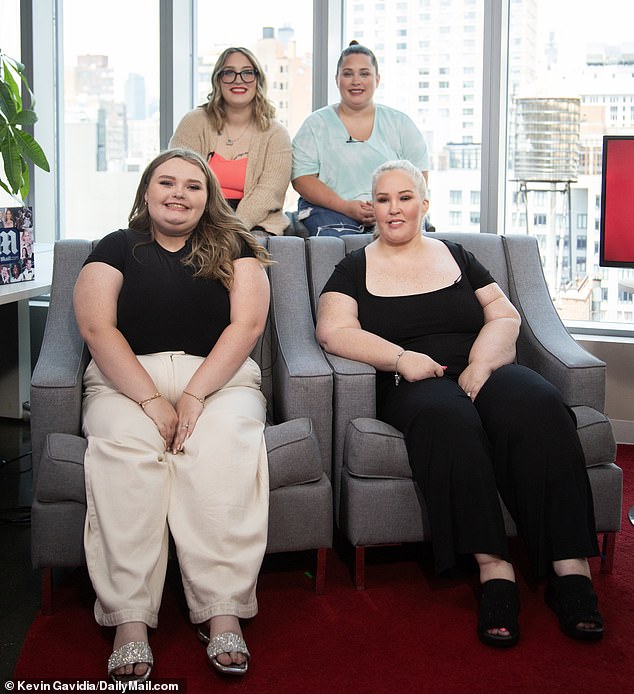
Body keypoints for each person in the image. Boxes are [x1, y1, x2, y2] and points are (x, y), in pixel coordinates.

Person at [316, 159, 604, 647]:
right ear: (373, 209)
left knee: (540, 407)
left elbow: (502, 314)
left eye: (405, 197)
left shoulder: (457, 255)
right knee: (449, 423)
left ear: (424, 203)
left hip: (482, 366)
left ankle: (570, 569)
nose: (394, 208)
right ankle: (495, 570)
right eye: (383, 199)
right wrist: (401, 358)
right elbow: (334, 330)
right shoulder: (353, 266)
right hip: (415, 381)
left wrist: (482, 364)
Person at [73, 148, 271, 682]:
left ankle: (221, 607)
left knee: (223, 449)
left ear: (209, 198)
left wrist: (196, 396)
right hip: (126, 380)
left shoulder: (235, 245)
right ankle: (129, 618)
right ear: (146, 191)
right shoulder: (115, 246)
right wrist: (150, 401)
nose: (178, 193)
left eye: (193, 185)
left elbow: (246, 327)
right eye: (167, 182)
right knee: (126, 452)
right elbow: (97, 329)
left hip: (218, 379)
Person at [291, 42, 430, 237]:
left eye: (364, 74)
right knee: (345, 257)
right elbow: (302, 179)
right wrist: (346, 207)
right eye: (348, 74)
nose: (356, 81)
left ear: (377, 79)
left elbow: (419, 178)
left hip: (392, 210)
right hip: (331, 211)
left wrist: (386, 206)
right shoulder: (315, 125)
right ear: (337, 79)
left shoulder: (400, 123)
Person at [170, 46, 292, 236]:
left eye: (247, 73)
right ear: (218, 80)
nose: (238, 80)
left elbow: (269, 193)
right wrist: (207, 224)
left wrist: (229, 228)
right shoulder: (193, 123)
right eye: (229, 73)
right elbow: (178, 178)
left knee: (239, 248)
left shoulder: (276, 134)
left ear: (258, 80)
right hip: (198, 217)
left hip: (254, 222)